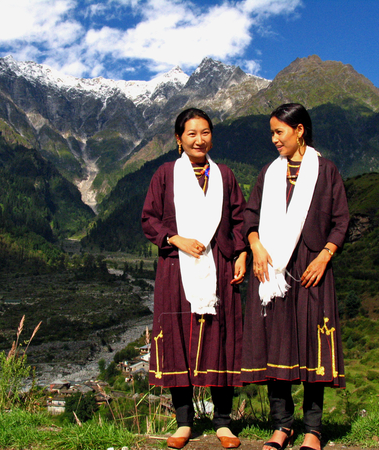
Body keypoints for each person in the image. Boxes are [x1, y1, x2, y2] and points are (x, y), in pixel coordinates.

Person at [240, 103, 349, 450]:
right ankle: (281, 426)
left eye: (279, 132)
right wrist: (255, 244)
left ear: (299, 130)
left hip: (312, 270)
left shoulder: (326, 172)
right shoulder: (268, 174)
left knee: (313, 346)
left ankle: (313, 429)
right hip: (272, 271)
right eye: (272, 133)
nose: (274, 139)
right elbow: (250, 215)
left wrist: (325, 255)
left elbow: (341, 221)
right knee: (277, 347)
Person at [142, 108, 247, 449]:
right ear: (178, 139)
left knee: (222, 340)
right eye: (191, 134)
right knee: (178, 341)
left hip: (219, 266)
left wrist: (242, 252)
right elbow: (149, 219)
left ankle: (223, 423)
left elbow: (240, 219)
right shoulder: (165, 175)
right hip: (177, 268)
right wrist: (176, 239)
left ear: (211, 137)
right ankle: (184, 423)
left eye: (205, 133)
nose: (199, 139)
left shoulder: (225, 176)